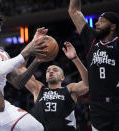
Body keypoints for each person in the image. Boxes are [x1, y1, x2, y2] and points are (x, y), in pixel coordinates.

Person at [0, 10, 47, 131]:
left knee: (36, 127)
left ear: (0, 27)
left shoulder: (4, 53)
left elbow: (18, 82)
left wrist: (37, 61)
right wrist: (28, 51)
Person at [68, 0, 119, 130]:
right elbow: (74, 11)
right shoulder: (92, 40)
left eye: (102, 21)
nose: (97, 23)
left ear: (113, 26)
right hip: (97, 106)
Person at [17, 42, 88, 131]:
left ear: (62, 77)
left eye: (55, 70)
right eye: (48, 70)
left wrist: (75, 58)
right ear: (46, 78)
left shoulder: (69, 89)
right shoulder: (38, 89)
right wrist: (34, 41)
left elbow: (87, 84)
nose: (51, 72)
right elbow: (19, 67)